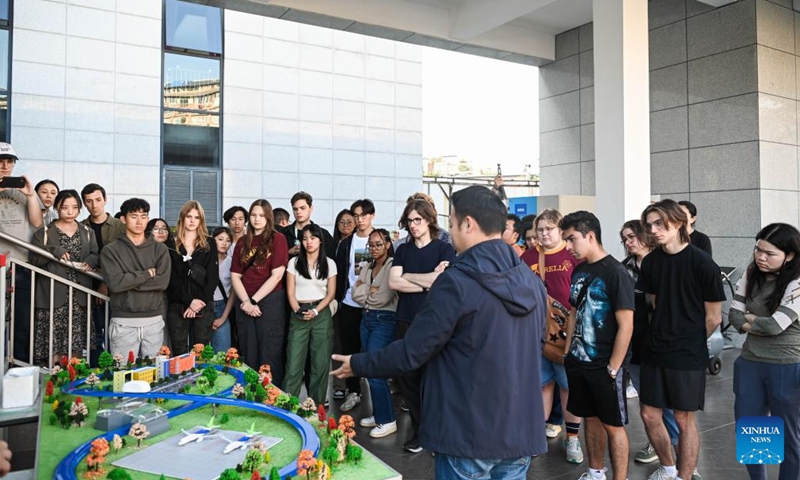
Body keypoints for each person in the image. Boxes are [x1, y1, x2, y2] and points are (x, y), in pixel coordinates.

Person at [332, 185, 547, 479]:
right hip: (520, 430)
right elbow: (536, 345)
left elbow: (413, 351)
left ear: (468, 224)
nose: (450, 232)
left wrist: (358, 363)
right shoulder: (531, 281)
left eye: (452, 223)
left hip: (467, 431)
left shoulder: (456, 282)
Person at [637, 199, 725, 480]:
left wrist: (690, 341)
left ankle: (684, 476)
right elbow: (653, 303)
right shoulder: (651, 262)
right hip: (655, 348)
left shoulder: (702, 262)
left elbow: (714, 317)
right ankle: (668, 467)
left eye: (659, 223)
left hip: (687, 352)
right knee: (649, 414)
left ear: (677, 223)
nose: (653, 230)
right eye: (649, 225)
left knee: (683, 418)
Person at [560, 211, 635, 480]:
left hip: (605, 364)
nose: (568, 246)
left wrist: (613, 367)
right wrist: (568, 352)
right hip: (579, 361)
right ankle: (595, 472)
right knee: (589, 419)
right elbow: (573, 312)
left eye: (572, 239)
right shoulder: (580, 269)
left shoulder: (616, 273)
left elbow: (626, 325)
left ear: (590, 236)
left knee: (613, 425)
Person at [729, 223, 800, 480]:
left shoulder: (797, 281)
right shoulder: (751, 274)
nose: (761, 257)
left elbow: (774, 326)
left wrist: (751, 320)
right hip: (750, 362)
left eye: (769, 253)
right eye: (758, 249)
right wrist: (758, 323)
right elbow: (734, 317)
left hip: (788, 365)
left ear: (789, 255)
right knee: (753, 431)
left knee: (790, 436)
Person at [389, 198, 456, 453]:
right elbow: (393, 283)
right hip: (406, 319)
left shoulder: (444, 248)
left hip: (434, 321)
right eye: (409, 221)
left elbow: (442, 281)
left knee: (434, 378)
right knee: (408, 378)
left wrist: (409, 276)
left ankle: (438, 431)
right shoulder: (403, 250)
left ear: (429, 220)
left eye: (418, 220)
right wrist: (427, 282)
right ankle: (420, 431)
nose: (413, 225)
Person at [520, 208, 584, 463]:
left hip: (568, 334)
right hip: (535, 333)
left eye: (549, 229)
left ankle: (573, 439)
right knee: (541, 384)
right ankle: (536, 436)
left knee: (568, 388)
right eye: (540, 229)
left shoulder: (573, 255)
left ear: (560, 230)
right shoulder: (528, 257)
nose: (544, 234)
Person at [621, 220, 681, 466]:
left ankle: (683, 459)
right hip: (636, 345)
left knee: (671, 404)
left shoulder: (666, 264)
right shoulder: (624, 268)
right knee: (648, 405)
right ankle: (658, 446)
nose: (628, 242)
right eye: (625, 238)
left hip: (665, 345)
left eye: (632, 236)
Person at [30, 190, 99, 366]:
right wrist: (53, 251)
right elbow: (34, 260)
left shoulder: (87, 231)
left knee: (76, 341)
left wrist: (91, 261)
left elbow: (95, 254)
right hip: (53, 293)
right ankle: (54, 373)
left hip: (79, 294)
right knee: (53, 340)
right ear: (57, 208)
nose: (70, 212)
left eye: (75, 207)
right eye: (65, 207)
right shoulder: (44, 232)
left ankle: (75, 375)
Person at [100, 198, 171, 359]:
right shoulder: (110, 251)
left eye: (143, 216)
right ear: (123, 219)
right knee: (123, 371)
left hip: (154, 321)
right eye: (134, 216)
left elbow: (162, 282)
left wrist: (128, 280)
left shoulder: (160, 249)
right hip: (123, 322)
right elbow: (115, 284)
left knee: (155, 371)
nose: (139, 221)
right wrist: (146, 274)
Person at [230, 199, 289, 385]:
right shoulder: (242, 242)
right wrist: (246, 302)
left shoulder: (278, 239)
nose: (257, 219)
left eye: (262, 215)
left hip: (270, 301)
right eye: (254, 215)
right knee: (248, 351)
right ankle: (250, 393)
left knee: (270, 352)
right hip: (244, 302)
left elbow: (277, 275)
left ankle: (272, 394)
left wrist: (253, 301)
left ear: (268, 217)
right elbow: (235, 275)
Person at [352, 229, 399, 438]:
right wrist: (369, 290)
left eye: (378, 244)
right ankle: (379, 413)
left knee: (376, 369)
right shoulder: (367, 266)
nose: (373, 248)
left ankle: (387, 420)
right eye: (370, 245)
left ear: (388, 244)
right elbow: (355, 294)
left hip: (384, 319)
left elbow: (383, 298)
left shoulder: (392, 265)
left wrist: (367, 290)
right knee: (369, 368)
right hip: (367, 318)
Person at [283, 224, 337, 405]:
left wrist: (315, 311)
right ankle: (288, 407)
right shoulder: (293, 263)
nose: (309, 242)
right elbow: (290, 293)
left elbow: (331, 294)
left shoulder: (329, 263)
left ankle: (316, 408)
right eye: (305, 239)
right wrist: (298, 310)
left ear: (320, 240)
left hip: (321, 313)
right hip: (298, 312)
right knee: (293, 363)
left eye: (313, 238)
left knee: (320, 364)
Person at [0, 143, 44, 363]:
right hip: (1, 264)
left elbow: (37, 223)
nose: (5, 166)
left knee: (22, 322)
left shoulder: (22, 190)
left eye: (9, 161)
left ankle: (18, 365)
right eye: (1, 162)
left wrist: (31, 194)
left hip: (22, 264)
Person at [334, 199, 376, 411]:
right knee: (350, 349)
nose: (360, 220)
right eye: (356, 216)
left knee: (374, 349)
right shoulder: (346, 243)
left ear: (372, 216)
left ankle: (378, 395)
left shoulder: (379, 239)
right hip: (349, 303)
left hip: (375, 305)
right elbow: (341, 273)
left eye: (364, 215)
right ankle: (353, 391)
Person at [166, 201, 219, 356]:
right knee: (179, 352)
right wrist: (189, 301)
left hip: (203, 303)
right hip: (177, 304)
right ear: (182, 217)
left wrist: (197, 303)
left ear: (201, 220)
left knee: (201, 352)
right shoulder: (171, 243)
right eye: (189, 216)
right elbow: (171, 278)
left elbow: (212, 277)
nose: (192, 220)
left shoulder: (209, 243)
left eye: (196, 217)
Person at [81, 183, 126, 358]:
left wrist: (106, 283)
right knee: (93, 334)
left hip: (114, 286)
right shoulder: (80, 227)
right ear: (84, 203)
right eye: (89, 201)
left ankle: (115, 365)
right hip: (87, 284)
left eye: (98, 200)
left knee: (114, 332)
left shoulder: (120, 226)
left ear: (105, 200)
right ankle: (96, 368)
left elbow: (123, 257)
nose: (94, 205)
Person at [281, 192, 335, 259]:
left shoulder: (323, 234)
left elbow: (331, 258)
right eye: (295, 209)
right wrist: (288, 253)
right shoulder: (284, 233)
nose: (298, 212)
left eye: (302, 208)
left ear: (311, 208)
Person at [211, 226, 234, 353]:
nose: (224, 243)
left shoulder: (232, 262)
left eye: (228, 240)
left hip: (222, 306)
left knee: (222, 352)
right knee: (200, 352)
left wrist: (223, 317)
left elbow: (233, 293)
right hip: (204, 306)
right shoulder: (204, 260)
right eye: (220, 239)